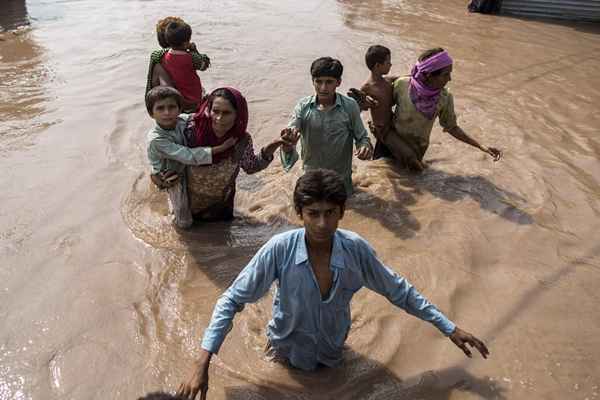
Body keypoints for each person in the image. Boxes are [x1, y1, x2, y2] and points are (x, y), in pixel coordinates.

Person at [177, 169, 490, 399]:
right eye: (313, 214)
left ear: (342, 212)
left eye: (330, 214)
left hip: (332, 352)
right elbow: (231, 300)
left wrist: (449, 327)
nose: (322, 224)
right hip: (283, 351)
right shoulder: (280, 249)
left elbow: (400, 291)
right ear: (299, 214)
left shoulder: (355, 250)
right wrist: (201, 362)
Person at [350, 47, 501, 169]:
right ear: (429, 75)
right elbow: (378, 101)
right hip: (387, 145)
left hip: (416, 152)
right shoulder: (402, 85)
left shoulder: (445, 97)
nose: (450, 79)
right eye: (445, 74)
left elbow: (452, 128)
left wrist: (481, 146)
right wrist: (366, 104)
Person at [145, 86, 237, 227]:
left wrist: (209, 107)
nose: (167, 112)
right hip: (170, 174)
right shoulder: (156, 140)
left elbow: (198, 117)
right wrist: (220, 148)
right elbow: (187, 155)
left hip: (185, 165)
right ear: (151, 113)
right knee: (184, 221)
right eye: (160, 108)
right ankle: (174, 224)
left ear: (179, 109)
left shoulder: (182, 120)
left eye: (172, 107)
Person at [280, 57, 373, 195]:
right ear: (313, 81)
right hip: (311, 178)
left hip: (340, 180)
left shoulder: (350, 106)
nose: (323, 88)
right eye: (319, 82)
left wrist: (364, 148)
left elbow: (362, 137)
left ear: (338, 82)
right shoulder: (303, 107)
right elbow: (290, 135)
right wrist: (288, 144)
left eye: (329, 82)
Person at [352, 45, 425, 171]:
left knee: (387, 162)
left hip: (393, 125)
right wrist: (367, 102)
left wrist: (422, 72)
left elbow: (407, 78)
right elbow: (359, 106)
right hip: (383, 130)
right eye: (388, 62)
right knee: (410, 157)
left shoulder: (387, 81)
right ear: (377, 66)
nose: (391, 64)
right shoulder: (368, 87)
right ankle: (425, 179)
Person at [145, 17, 211, 112]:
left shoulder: (160, 57)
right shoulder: (189, 57)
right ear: (185, 42)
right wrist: (194, 50)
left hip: (174, 104)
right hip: (187, 103)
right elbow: (203, 64)